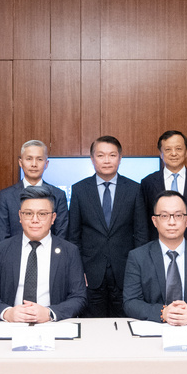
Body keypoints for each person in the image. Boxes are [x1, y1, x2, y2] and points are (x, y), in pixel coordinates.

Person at [67, 136, 148, 317]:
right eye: (101, 155)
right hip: (90, 273)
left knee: (125, 323)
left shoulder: (134, 189)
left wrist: (139, 270)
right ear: (92, 159)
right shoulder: (80, 189)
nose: (106, 160)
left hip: (125, 271)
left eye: (112, 155)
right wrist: (78, 270)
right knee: (93, 325)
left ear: (120, 158)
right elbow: (74, 236)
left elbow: (141, 234)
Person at [0, 185, 87, 321]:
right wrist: (7, 313)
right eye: (28, 214)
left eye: (42, 214)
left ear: (53, 218)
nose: (35, 220)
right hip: (11, 325)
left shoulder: (69, 251)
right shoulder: (2, 249)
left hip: (53, 325)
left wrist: (50, 313)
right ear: (20, 216)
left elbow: (79, 298)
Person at [124, 191, 187, 324]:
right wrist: (162, 313)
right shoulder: (138, 257)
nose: (172, 222)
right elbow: (130, 302)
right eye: (164, 216)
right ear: (154, 221)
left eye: (178, 215)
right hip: (154, 327)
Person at [140, 130, 187, 244]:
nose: (173, 153)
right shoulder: (148, 183)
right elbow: (143, 222)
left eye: (178, 149)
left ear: (186, 152)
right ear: (161, 153)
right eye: (168, 149)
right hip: (157, 246)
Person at [0, 140, 68, 241]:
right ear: (20, 162)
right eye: (29, 159)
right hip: (14, 250)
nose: (34, 164)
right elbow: (2, 235)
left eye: (39, 159)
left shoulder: (58, 195)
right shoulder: (5, 196)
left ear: (46, 164)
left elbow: (61, 235)